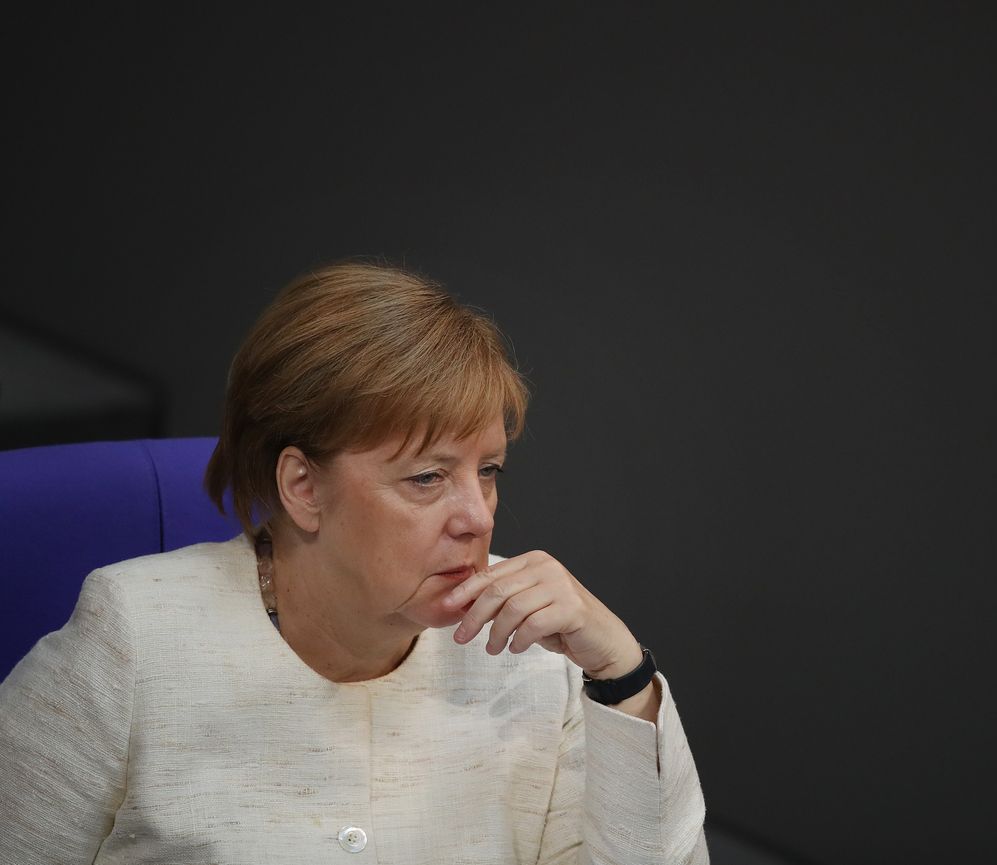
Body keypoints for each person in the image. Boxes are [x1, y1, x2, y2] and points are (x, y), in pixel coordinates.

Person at [0, 262, 709, 864]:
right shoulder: (134, 640)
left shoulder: (538, 657)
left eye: (487, 469)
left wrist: (622, 673)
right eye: (426, 478)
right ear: (303, 487)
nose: (479, 515)